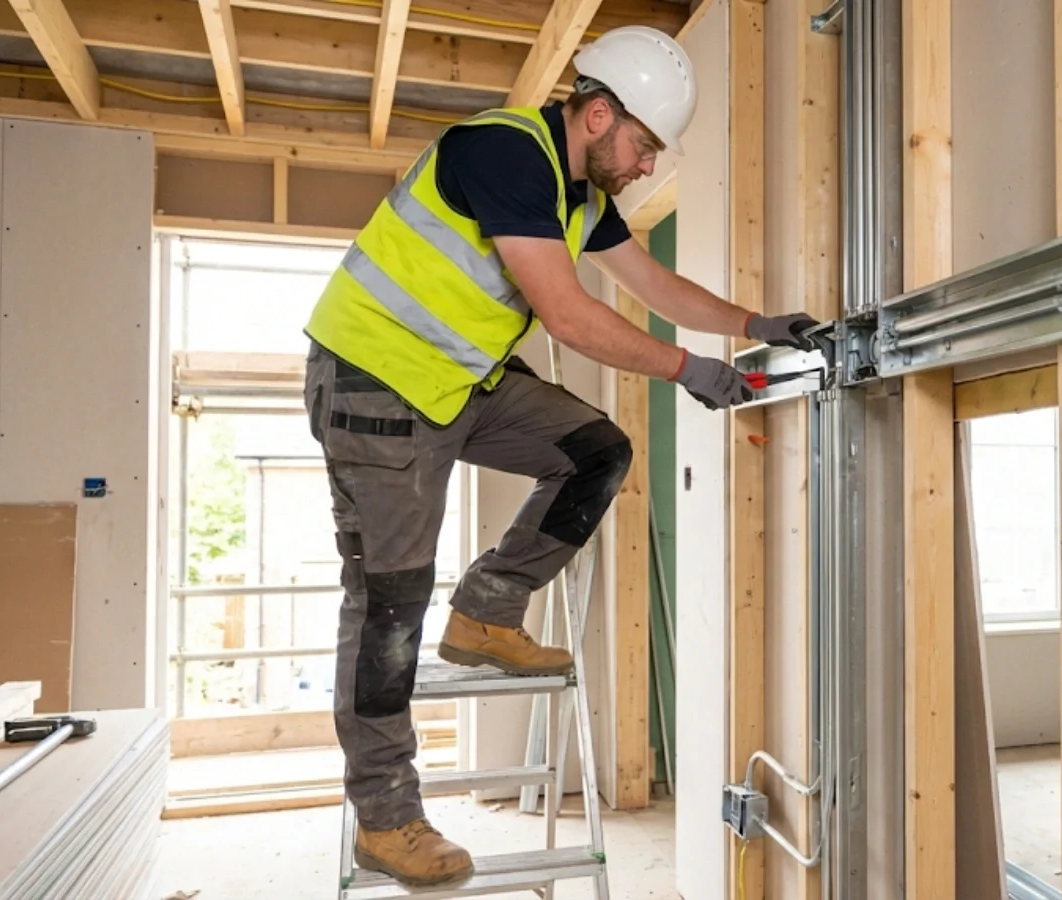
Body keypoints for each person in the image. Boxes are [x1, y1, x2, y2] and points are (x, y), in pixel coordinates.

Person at [300, 25, 819, 887]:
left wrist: (757, 327)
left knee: (594, 449)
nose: (649, 165)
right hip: (374, 386)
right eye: (646, 145)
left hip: (457, 386)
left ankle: (488, 612)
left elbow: (654, 287)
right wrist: (691, 370)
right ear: (600, 113)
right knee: (389, 605)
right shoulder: (502, 153)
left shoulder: (582, 199)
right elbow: (571, 315)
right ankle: (386, 818)